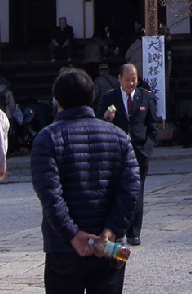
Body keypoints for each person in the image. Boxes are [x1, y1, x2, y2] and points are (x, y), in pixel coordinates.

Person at [31, 67, 141, 294]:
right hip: (108, 245)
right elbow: (131, 190)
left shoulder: (47, 138)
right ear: (92, 97)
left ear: (57, 100)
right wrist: (112, 229)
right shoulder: (119, 136)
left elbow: (50, 194)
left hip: (63, 247)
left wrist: (72, 234)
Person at [94, 63, 157, 245]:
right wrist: (106, 117)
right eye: (127, 80)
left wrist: (147, 148)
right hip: (116, 151)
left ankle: (134, 232)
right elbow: (98, 120)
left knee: (137, 191)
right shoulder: (109, 97)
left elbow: (153, 126)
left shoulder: (145, 96)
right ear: (120, 79)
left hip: (139, 151)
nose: (130, 83)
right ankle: (117, 230)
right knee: (115, 191)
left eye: (133, 79)